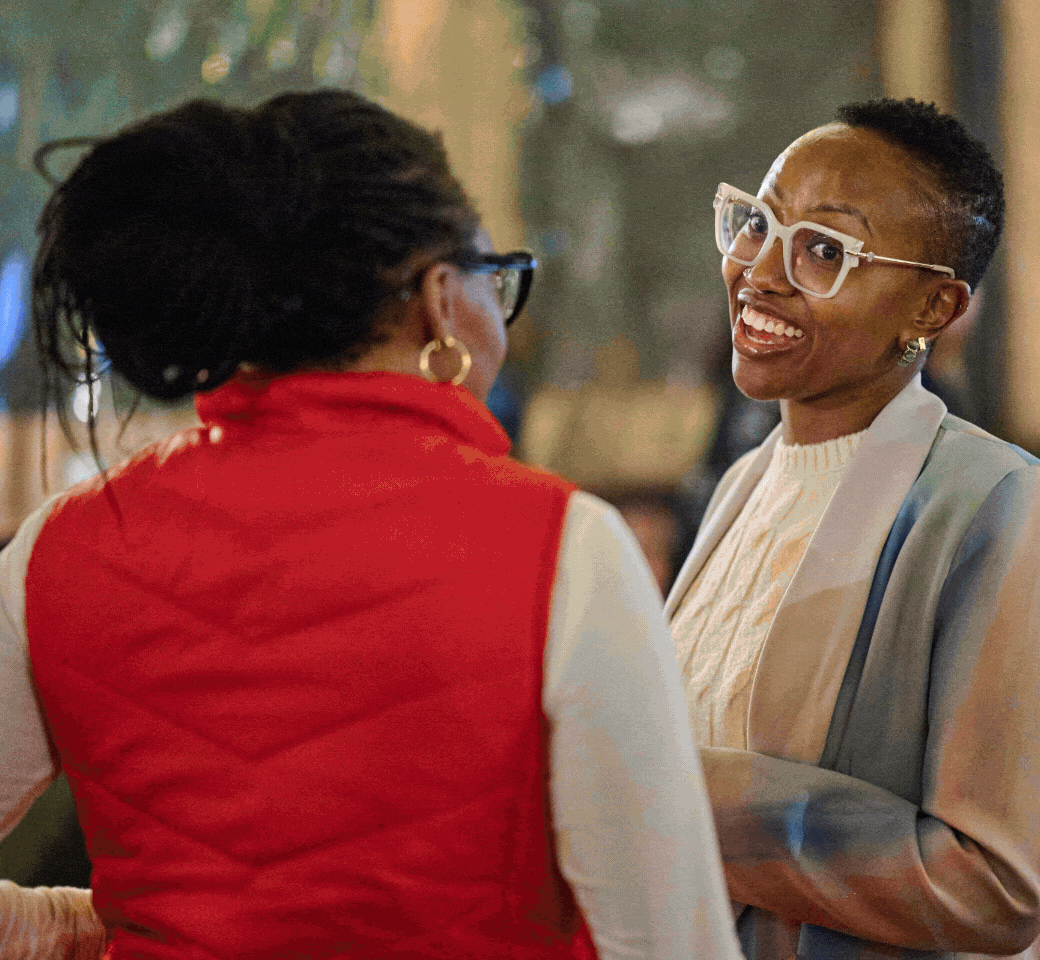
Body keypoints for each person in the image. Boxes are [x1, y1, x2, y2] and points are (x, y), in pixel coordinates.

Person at [0, 91, 741, 960]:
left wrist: (67, 927)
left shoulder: (60, 551)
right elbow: (671, 944)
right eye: (492, 276)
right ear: (440, 299)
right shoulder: (565, 549)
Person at [667, 97, 1040, 960]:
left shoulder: (999, 508)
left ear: (933, 312)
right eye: (757, 223)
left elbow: (998, 883)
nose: (760, 271)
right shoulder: (744, 486)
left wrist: (677, 791)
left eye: (823, 251)